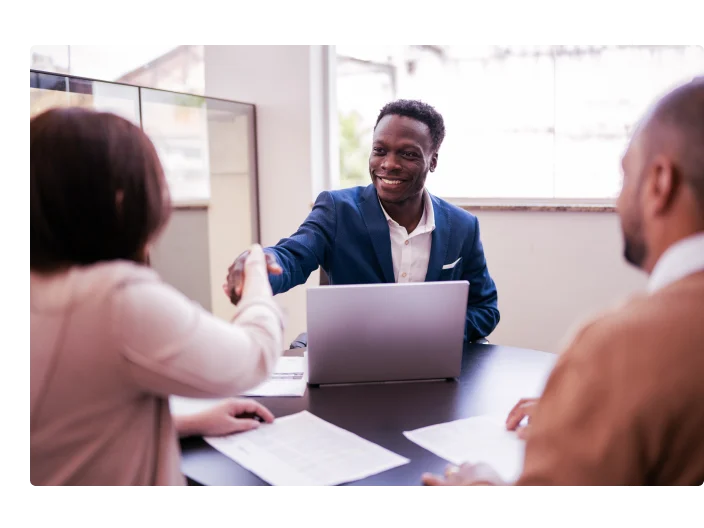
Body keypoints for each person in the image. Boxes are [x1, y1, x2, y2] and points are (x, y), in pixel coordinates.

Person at [422, 77, 704, 487]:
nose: (618, 199)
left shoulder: (618, 347)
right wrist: (596, 406)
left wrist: (484, 489)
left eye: (625, 176)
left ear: (660, 183)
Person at [27, 107, 284, 486]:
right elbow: (255, 354)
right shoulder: (114, 298)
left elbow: (67, 424)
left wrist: (183, 423)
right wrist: (257, 271)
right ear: (120, 199)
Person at [224, 99, 499, 344]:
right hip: (350, 356)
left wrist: (431, 332)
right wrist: (258, 264)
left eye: (408, 154)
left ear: (433, 161)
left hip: (431, 363)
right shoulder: (337, 209)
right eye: (380, 150)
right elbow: (293, 255)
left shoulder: (462, 226)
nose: (389, 164)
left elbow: (485, 309)